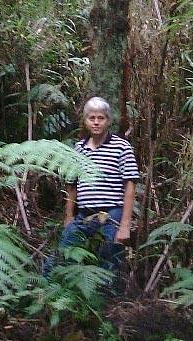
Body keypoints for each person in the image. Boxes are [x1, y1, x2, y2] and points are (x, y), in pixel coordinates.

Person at [56, 96, 140, 277]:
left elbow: (130, 185)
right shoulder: (79, 148)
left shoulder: (122, 147)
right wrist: (69, 217)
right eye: (91, 118)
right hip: (84, 215)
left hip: (112, 214)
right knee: (64, 251)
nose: (96, 123)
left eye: (100, 118)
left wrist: (125, 226)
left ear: (108, 121)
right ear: (85, 121)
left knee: (109, 260)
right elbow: (72, 185)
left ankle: (112, 301)